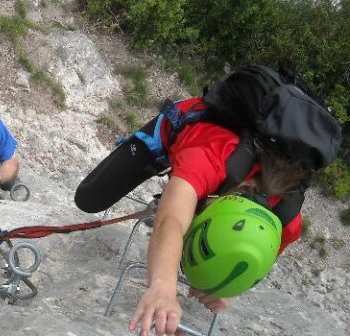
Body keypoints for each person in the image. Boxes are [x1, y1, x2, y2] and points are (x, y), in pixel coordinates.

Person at [74, 78, 338, 336]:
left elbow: (248, 263)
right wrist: (162, 286)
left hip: (215, 179)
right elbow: (171, 222)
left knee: (191, 221)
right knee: (89, 199)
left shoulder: (286, 221)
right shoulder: (207, 158)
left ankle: (188, 200)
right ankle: (184, 194)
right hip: (182, 128)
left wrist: (225, 288)